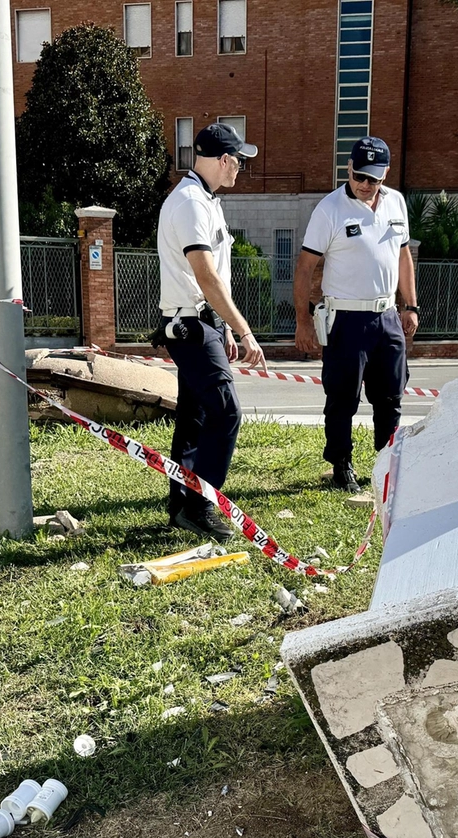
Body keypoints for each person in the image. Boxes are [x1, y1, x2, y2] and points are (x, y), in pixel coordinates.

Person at [153, 122, 267, 540]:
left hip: (201, 324)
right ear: (222, 160)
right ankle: (202, 506)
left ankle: (182, 504)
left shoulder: (205, 199)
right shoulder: (189, 203)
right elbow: (206, 276)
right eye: (239, 161)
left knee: (195, 418)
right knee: (226, 412)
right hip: (189, 326)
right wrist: (245, 330)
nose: (241, 168)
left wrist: (224, 329)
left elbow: (213, 277)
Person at [293, 137, 419, 492]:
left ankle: (387, 463)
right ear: (348, 168)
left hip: (387, 316)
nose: (365, 184)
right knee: (342, 398)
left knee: (391, 396)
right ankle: (341, 465)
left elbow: (403, 256)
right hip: (345, 319)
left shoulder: (396, 203)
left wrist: (409, 305)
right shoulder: (329, 209)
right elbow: (305, 268)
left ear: (385, 174)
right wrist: (303, 320)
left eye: (373, 178)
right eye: (359, 176)